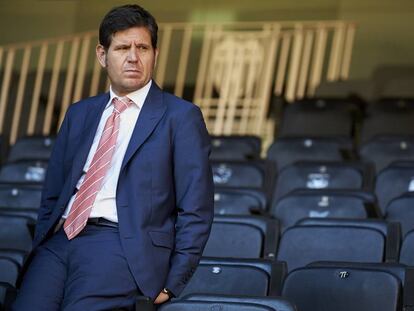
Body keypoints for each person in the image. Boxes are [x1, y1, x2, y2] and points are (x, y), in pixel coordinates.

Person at [12, 4, 214, 310]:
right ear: (102, 55)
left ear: (155, 55)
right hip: (60, 241)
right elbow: (52, 193)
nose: (133, 57)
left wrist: (173, 283)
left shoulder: (181, 117)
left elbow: (196, 207)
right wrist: (44, 239)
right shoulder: (80, 113)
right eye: (122, 47)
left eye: (142, 47)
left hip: (122, 244)